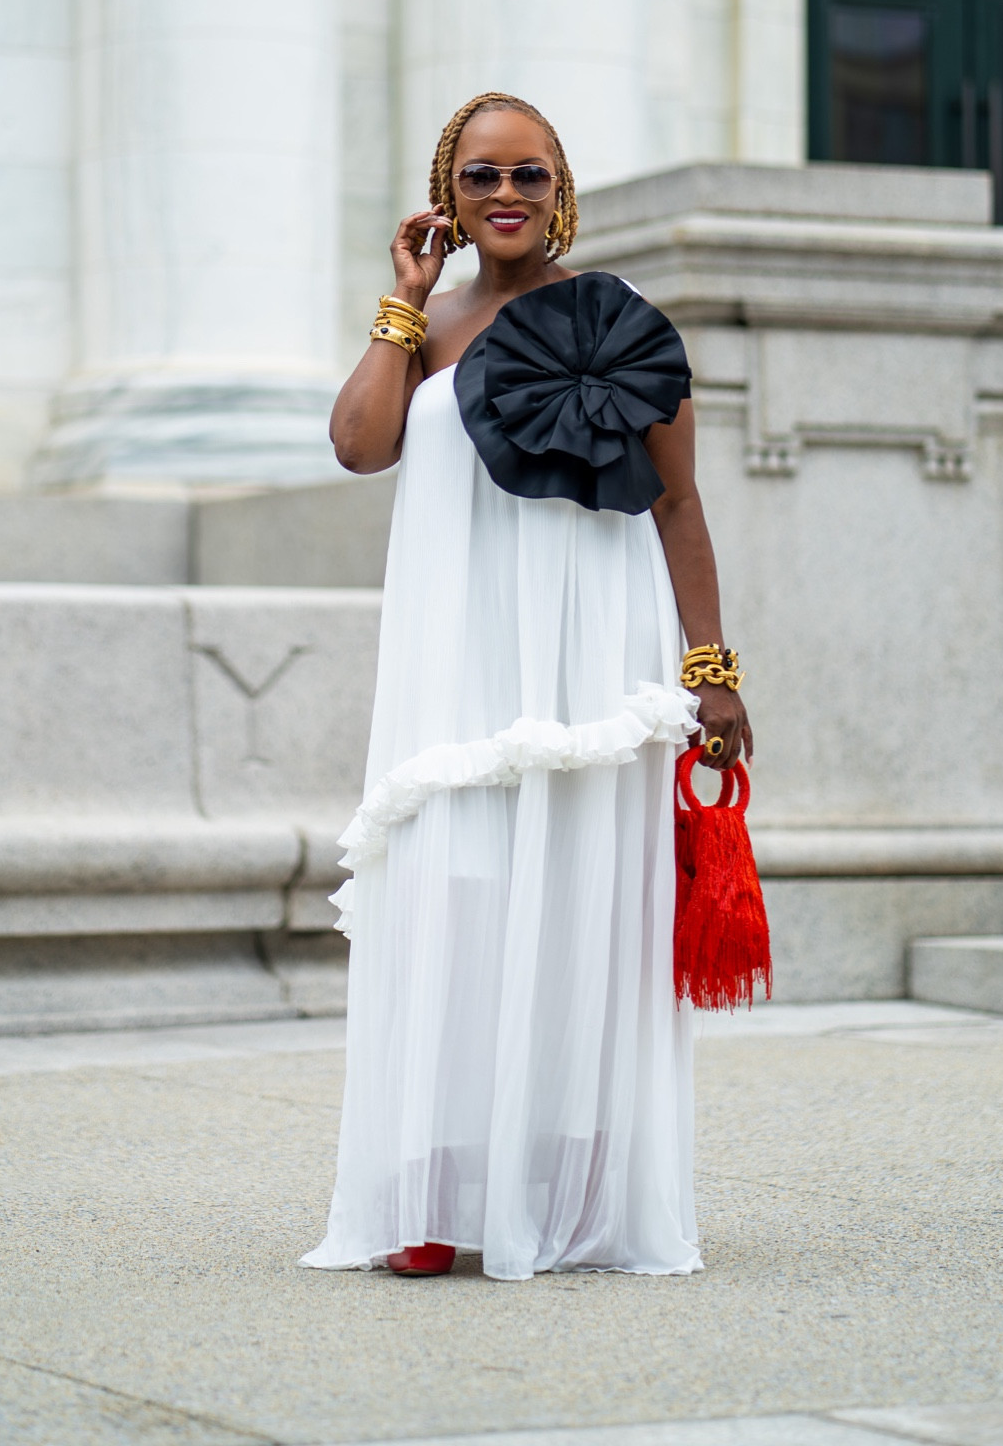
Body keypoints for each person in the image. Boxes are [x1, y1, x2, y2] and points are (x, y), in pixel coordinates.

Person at [301, 93, 752, 1282]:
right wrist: (401, 299)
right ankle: (433, 1190)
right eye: (482, 176)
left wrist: (710, 672)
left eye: (531, 175)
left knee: (581, 902)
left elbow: (677, 503)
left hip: (592, 655)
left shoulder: (621, 320)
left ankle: (566, 1192)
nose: (507, 195)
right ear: (445, 195)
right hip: (458, 660)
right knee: (453, 899)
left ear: (563, 190)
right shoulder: (427, 322)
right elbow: (357, 443)